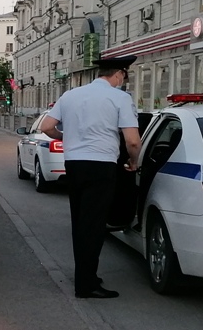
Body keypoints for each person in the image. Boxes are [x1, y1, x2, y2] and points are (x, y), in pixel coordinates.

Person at [39, 56, 141, 299]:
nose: (122, 81)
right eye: (123, 77)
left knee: (80, 222)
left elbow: (46, 127)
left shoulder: (70, 95)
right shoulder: (120, 98)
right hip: (102, 166)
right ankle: (86, 285)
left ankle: (86, 276)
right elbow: (133, 140)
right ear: (119, 74)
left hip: (74, 165)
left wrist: (66, 138)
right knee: (94, 226)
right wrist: (134, 161)